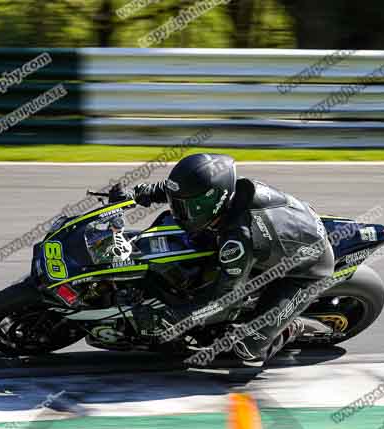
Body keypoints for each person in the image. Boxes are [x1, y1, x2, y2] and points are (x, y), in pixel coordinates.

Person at [110, 153, 334, 366]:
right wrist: (139, 193)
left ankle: (291, 327)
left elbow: (224, 302)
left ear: (213, 202)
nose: (177, 211)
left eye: (185, 207)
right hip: (288, 234)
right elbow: (181, 191)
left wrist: (172, 317)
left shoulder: (237, 242)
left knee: (248, 349)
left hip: (307, 271)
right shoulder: (227, 192)